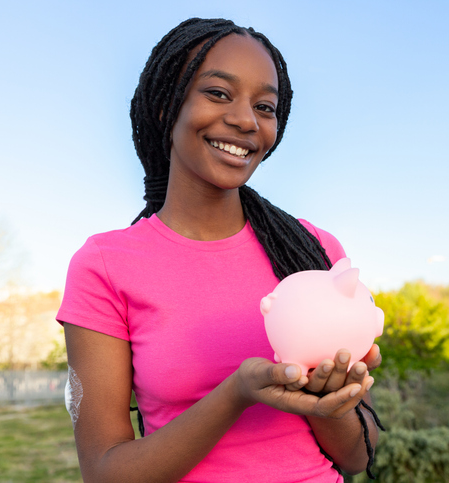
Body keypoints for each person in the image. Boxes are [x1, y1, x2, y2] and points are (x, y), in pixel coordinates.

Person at [57, 17, 383, 483]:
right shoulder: (105, 266)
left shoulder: (311, 251)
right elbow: (106, 472)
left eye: (265, 106)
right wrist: (237, 393)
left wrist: (329, 402)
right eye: (218, 93)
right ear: (168, 103)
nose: (246, 120)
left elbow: (357, 457)